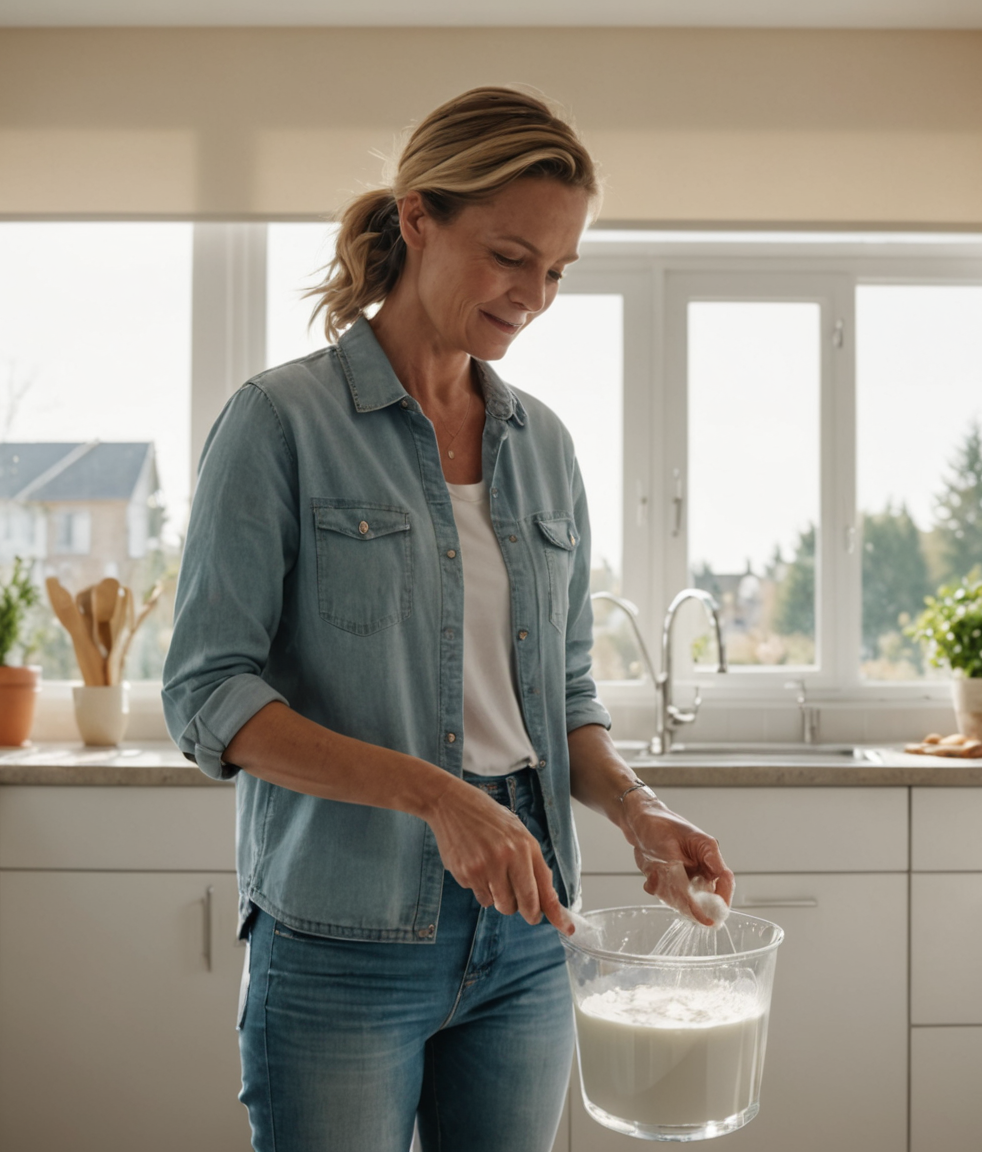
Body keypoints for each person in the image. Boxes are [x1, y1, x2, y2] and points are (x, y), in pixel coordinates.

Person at [161, 86, 735, 1152]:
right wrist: (438, 798)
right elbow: (208, 695)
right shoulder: (280, 422)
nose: (534, 294)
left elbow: (561, 694)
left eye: (557, 271)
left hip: (528, 925)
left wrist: (638, 808)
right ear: (418, 217)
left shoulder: (545, 448)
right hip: (343, 928)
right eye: (510, 256)